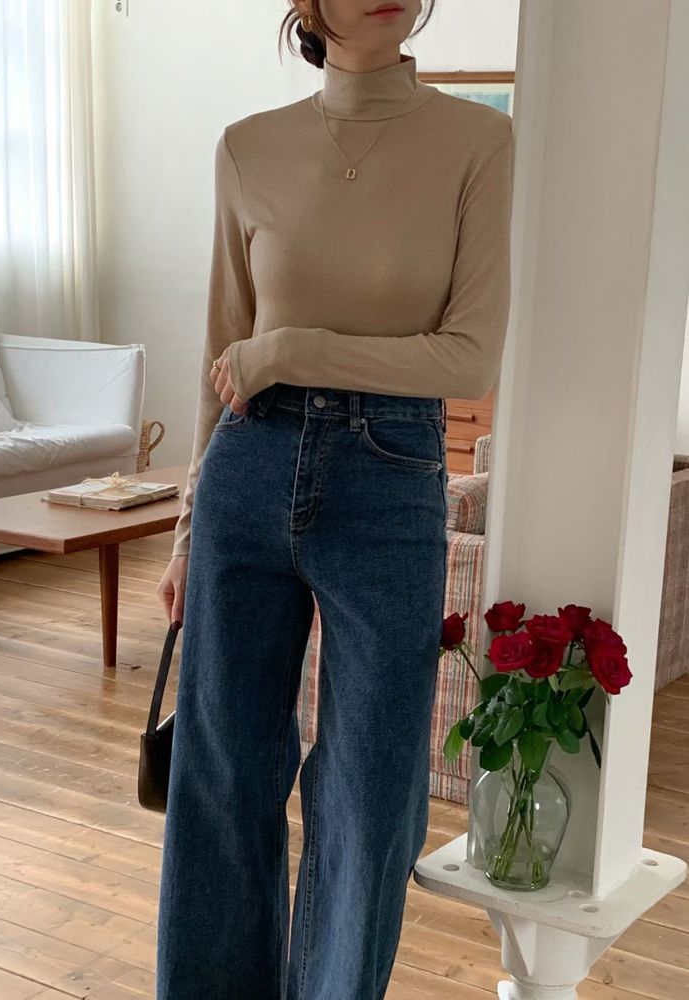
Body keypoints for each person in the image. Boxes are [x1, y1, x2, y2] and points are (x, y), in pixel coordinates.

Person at [155, 1, 513, 997]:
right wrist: (186, 530)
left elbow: (468, 356)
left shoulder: (479, 142)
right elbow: (218, 354)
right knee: (221, 776)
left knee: (371, 790)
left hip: (388, 478)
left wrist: (291, 349)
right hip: (247, 468)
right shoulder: (247, 148)